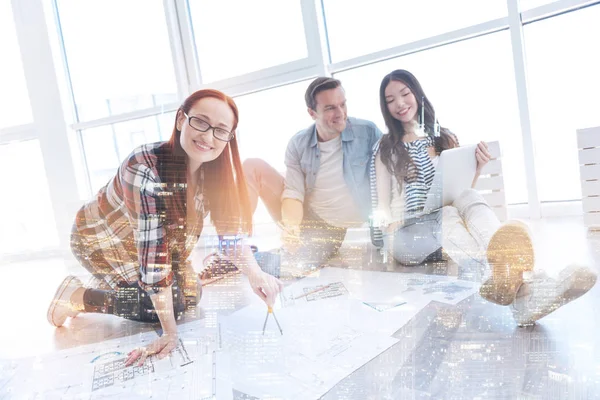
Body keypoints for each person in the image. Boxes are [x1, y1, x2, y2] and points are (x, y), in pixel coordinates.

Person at [47, 89, 283, 365]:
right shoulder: (145, 167)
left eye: (220, 130)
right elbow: (154, 263)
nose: (208, 137)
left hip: (152, 246)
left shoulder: (216, 173)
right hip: (101, 241)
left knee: (191, 295)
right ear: (181, 120)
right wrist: (170, 333)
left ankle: (120, 285)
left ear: (229, 138)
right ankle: (76, 296)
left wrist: (255, 274)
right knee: (159, 304)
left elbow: (229, 235)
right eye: (201, 122)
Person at [371, 69, 597, 325]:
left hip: (444, 224)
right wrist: (389, 223)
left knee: (467, 196)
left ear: (417, 94)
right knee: (447, 214)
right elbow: (380, 207)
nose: (399, 104)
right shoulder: (386, 146)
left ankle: (522, 295)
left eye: (404, 94)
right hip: (406, 236)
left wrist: (476, 169)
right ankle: (534, 283)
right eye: (390, 100)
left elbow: (457, 192)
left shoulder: (444, 137)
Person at [243, 77, 382, 275]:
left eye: (343, 104)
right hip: (312, 217)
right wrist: (291, 228)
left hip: (336, 225)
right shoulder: (298, 144)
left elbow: (391, 168)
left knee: (292, 265)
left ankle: (257, 256)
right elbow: (293, 192)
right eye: (330, 108)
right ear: (312, 113)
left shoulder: (367, 132)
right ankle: (240, 251)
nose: (340, 113)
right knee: (252, 165)